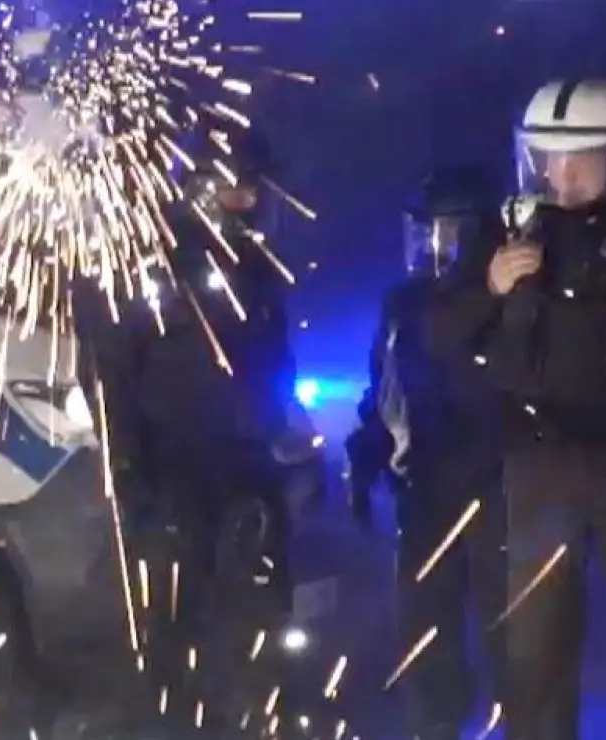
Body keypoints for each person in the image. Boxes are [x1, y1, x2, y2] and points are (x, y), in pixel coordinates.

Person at [430, 79, 606, 739]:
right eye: (546, 158)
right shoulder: (505, 234)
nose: (560, 175)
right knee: (534, 658)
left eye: (578, 159)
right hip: (538, 468)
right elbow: (440, 336)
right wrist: (489, 286)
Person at [69, 132, 319, 734]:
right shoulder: (150, 271)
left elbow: (274, 371)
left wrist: (294, 456)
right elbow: (108, 376)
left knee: (258, 633)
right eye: (239, 189)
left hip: (247, 478)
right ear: (204, 190)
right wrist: (127, 475)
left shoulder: (258, 272)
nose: (250, 201)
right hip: (171, 478)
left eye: (255, 191)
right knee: (165, 640)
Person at [347, 165, 507, 740]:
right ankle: (433, 726)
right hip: (424, 492)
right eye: (422, 234)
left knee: (510, 629)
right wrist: (366, 457)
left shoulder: (504, 300)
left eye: (443, 235)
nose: (430, 250)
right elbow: (385, 391)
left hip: (496, 490)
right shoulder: (402, 302)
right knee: (424, 629)